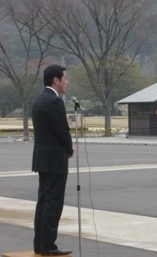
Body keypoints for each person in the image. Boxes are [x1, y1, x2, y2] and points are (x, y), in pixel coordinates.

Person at [32, 64, 74, 256]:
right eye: (64, 78)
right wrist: (69, 148)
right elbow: (61, 130)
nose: (67, 81)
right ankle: (49, 244)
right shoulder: (55, 102)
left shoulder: (39, 100)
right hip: (55, 159)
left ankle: (40, 243)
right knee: (54, 202)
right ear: (55, 80)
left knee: (43, 200)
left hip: (42, 158)